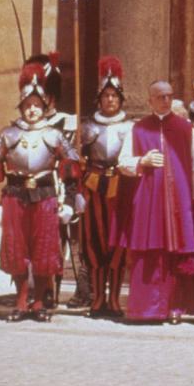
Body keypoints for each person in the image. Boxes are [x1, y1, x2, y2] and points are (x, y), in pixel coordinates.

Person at [0, 62, 79, 322]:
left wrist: (68, 203)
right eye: (28, 105)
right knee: (16, 249)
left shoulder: (55, 135)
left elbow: (71, 169)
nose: (32, 110)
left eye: (37, 105)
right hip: (15, 196)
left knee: (44, 250)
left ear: (44, 106)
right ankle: (22, 300)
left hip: (45, 196)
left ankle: (39, 303)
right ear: (21, 107)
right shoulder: (8, 134)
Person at [118, 80, 194, 323]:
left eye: (169, 96)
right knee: (148, 253)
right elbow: (122, 162)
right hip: (148, 201)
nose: (165, 100)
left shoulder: (187, 129)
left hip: (178, 203)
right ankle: (145, 309)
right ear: (150, 101)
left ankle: (174, 308)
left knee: (175, 253)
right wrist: (142, 161)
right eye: (160, 96)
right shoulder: (137, 129)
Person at [26, 53, 91, 309]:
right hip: (41, 187)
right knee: (44, 240)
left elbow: (76, 156)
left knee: (74, 239)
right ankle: (46, 289)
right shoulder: (29, 123)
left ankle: (83, 287)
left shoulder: (69, 122)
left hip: (66, 185)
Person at [79, 56, 135, 318]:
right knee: (94, 242)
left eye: (114, 95)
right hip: (93, 186)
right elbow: (74, 160)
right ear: (99, 99)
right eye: (106, 95)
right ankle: (97, 297)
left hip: (121, 186)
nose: (110, 100)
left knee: (117, 243)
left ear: (120, 99)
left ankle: (114, 299)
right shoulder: (87, 126)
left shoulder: (130, 127)